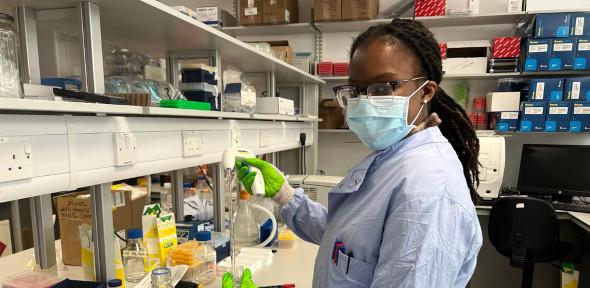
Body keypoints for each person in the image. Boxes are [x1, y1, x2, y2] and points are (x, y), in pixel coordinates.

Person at [236, 19, 483, 288]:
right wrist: (285, 196)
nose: (364, 102)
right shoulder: (392, 156)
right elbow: (345, 240)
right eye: (355, 90)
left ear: (425, 92)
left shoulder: (428, 189)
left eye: (382, 87)